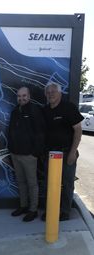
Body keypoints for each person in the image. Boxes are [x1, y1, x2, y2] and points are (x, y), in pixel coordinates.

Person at [42, 82, 84, 221]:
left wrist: (73, 152)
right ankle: (51, 209)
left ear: (60, 93)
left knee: (67, 183)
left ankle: (65, 211)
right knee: (50, 183)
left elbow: (78, 130)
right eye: (48, 92)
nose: (51, 94)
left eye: (53, 91)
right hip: (51, 154)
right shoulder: (45, 110)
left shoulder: (69, 108)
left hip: (67, 153)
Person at [8, 87, 45, 222]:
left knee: (32, 184)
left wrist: (35, 153)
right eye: (19, 96)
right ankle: (23, 206)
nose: (21, 98)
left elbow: (40, 134)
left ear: (29, 96)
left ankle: (33, 210)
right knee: (21, 182)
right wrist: (11, 149)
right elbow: (10, 131)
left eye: (24, 96)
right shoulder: (14, 112)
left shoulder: (34, 110)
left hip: (29, 156)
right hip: (15, 154)